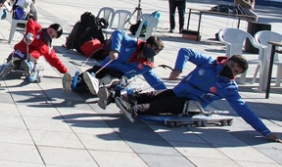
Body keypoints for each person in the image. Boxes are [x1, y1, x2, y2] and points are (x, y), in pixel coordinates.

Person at [116, 49, 280, 143]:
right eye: (231, 65)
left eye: (236, 71)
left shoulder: (229, 87)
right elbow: (185, 51)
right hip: (179, 90)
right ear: (227, 60)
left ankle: (135, 109)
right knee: (153, 95)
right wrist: (178, 68)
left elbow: (244, 109)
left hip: (191, 104)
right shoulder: (209, 63)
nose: (232, 70)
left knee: (163, 104)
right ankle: (120, 97)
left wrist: (264, 131)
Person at [63, 30, 166, 109]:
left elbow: (155, 81)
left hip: (120, 76)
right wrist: (115, 50)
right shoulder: (133, 43)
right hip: (107, 65)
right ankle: (73, 81)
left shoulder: (147, 66)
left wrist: (167, 94)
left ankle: (98, 84)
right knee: (93, 72)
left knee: (111, 77)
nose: (152, 50)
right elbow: (118, 32)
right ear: (146, 43)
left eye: (155, 49)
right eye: (150, 46)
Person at [0, 19, 66, 82]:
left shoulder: (47, 47)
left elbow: (54, 60)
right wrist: (30, 34)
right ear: (49, 27)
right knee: (16, 57)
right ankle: (9, 66)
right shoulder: (38, 30)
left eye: (52, 36)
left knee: (33, 56)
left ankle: (29, 66)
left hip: (31, 57)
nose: (49, 35)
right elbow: (31, 22)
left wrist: (65, 72)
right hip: (21, 51)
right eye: (50, 32)